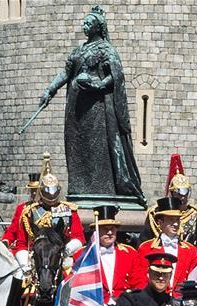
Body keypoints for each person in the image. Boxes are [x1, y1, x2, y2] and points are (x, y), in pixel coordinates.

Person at [38, 5, 143, 199]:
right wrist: (50, 90)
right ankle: (79, 189)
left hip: (97, 110)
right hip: (75, 109)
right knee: (77, 148)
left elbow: (115, 76)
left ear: (98, 27)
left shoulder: (106, 50)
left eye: (89, 23)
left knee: (98, 149)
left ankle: (102, 190)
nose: (84, 26)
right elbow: (66, 73)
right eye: (84, 23)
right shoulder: (78, 51)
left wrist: (98, 85)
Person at [1, 153, 86, 273]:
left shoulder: (69, 210)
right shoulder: (28, 211)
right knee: (20, 277)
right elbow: (21, 240)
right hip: (34, 256)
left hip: (63, 255)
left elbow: (78, 237)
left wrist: (66, 250)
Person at [135, 198, 197, 294]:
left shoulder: (191, 250)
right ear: (160, 222)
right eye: (171, 220)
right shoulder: (146, 248)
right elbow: (140, 279)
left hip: (181, 300)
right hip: (154, 300)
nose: (176, 224)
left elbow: (193, 279)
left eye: (177, 220)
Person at [144, 153, 197, 242]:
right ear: (172, 193)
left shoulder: (194, 214)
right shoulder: (155, 213)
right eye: (179, 193)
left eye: (185, 193)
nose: (183, 197)